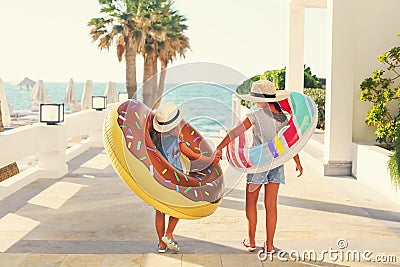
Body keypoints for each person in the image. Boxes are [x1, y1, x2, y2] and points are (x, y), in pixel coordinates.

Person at [214, 80, 303, 253]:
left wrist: (219, 147)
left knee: (251, 203)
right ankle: (269, 245)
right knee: (271, 205)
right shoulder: (284, 117)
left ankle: (251, 240)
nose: (254, 102)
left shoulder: (255, 114)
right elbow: (289, 143)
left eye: (255, 98)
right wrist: (297, 161)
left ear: (262, 99)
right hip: (276, 164)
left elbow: (234, 132)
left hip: (258, 165)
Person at [152, 103, 217, 253]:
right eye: (179, 124)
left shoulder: (156, 141)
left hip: (160, 180)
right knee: (178, 208)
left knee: (160, 211)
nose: (182, 125)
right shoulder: (178, 142)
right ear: (174, 128)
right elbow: (194, 156)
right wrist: (211, 160)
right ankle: (168, 233)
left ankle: (161, 245)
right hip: (176, 181)